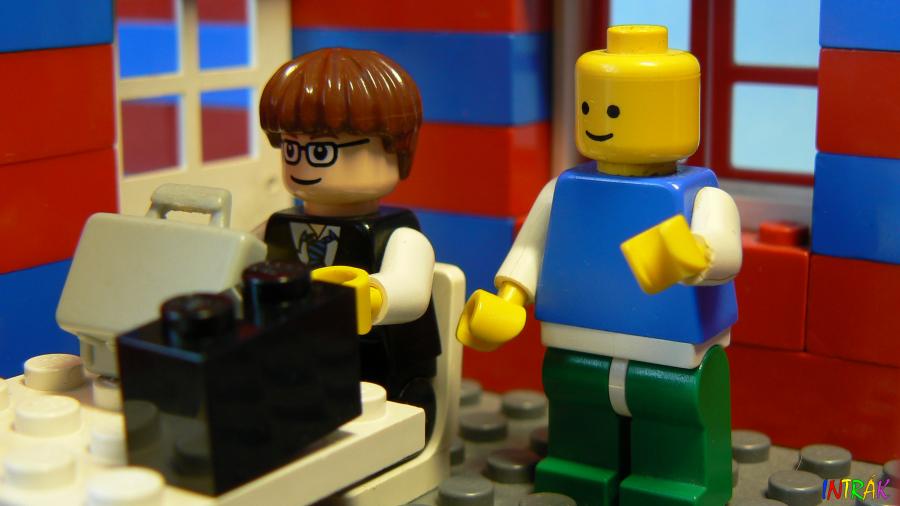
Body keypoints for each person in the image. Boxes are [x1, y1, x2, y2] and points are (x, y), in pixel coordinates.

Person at [456, 26, 741, 506]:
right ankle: (582, 469)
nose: (597, 121)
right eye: (589, 108)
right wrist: (510, 297)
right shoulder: (564, 190)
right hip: (576, 342)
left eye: (612, 111)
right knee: (579, 408)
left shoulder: (702, 197)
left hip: (669, 350)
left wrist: (696, 255)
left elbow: (726, 251)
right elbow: (531, 249)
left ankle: (675, 481)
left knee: (673, 413)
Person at [259, 48, 441, 436]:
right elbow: (238, 258)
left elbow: (409, 291)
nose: (303, 163)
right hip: (299, 359)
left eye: (321, 150)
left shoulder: (400, 236)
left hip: (379, 368)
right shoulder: (278, 227)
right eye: (292, 149)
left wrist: (366, 296)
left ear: (395, 148)